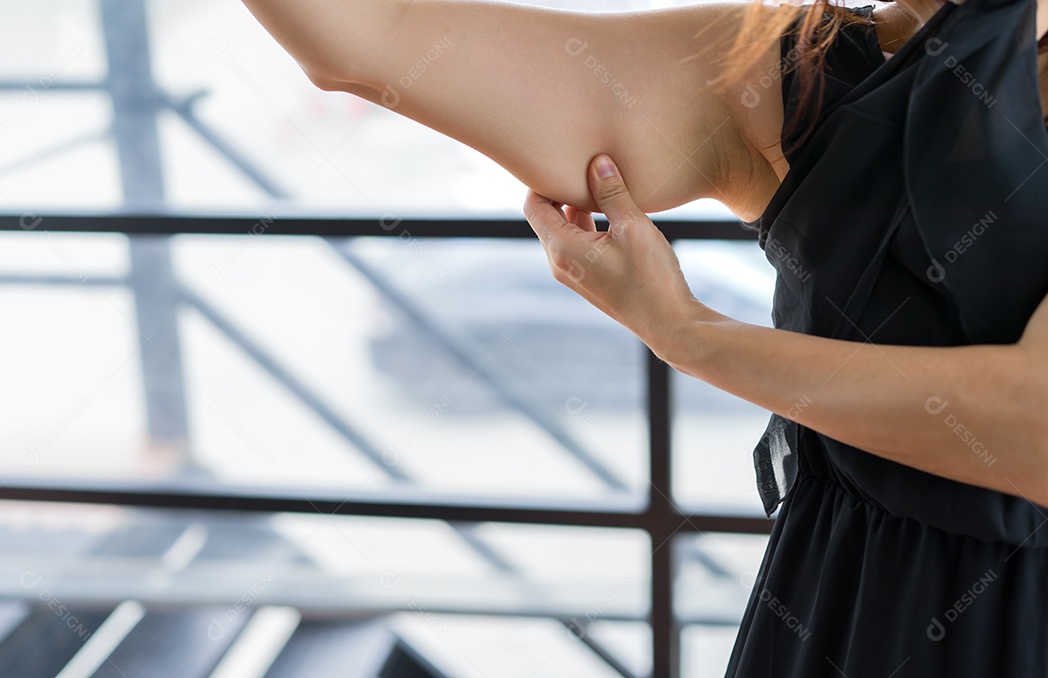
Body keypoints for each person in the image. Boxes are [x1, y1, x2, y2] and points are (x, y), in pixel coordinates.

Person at [240, 0, 1048, 673]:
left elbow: (1033, 425)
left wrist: (687, 334)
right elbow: (363, 39)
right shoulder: (800, 67)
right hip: (840, 615)